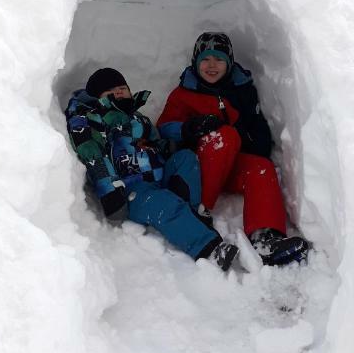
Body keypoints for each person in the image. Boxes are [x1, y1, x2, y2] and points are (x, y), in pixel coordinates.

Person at [157, 33, 309, 267]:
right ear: (196, 62)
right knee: (224, 137)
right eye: (206, 59)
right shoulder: (184, 93)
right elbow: (165, 127)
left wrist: (255, 143)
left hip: (230, 163)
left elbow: (257, 125)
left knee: (261, 167)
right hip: (200, 169)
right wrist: (189, 128)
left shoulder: (242, 90)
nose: (211, 65)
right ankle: (200, 212)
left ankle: (266, 237)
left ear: (228, 63)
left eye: (218, 59)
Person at [65, 67, 239, 271]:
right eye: (111, 91)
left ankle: (191, 216)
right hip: (132, 190)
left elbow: (159, 144)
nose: (119, 92)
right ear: (97, 97)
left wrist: (180, 140)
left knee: (185, 158)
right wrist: (110, 192)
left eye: (123, 87)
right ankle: (208, 248)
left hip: (158, 177)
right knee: (161, 202)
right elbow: (95, 157)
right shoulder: (94, 120)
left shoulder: (139, 119)